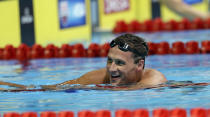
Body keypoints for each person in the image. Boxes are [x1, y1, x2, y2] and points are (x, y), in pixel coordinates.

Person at [0, 33, 167, 91]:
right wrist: (9, 85)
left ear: (139, 65)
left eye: (120, 63)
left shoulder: (154, 79)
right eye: (109, 61)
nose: (112, 69)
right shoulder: (99, 77)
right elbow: (56, 88)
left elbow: (135, 90)